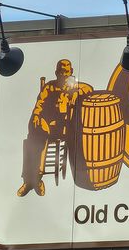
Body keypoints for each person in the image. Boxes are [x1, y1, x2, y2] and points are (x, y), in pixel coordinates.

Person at [16, 59, 92, 197]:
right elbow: (39, 105)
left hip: (68, 129)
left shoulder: (75, 87)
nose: (64, 75)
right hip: (49, 127)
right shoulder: (49, 87)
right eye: (61, 72)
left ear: (71, 72)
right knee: (33, 140)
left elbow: (89, 89)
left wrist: (76, 93)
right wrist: (36, 118)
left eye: (67, 72)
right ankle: (31, 180)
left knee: (39, 137)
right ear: (56, 73)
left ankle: (36, 180)